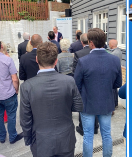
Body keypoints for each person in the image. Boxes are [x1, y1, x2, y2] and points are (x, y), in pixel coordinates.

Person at [20, 41, 83, 156]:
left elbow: (25, 119)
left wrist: (28, 140)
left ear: (37, 60)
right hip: (66, 139)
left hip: (41, 141)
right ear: (56, 61)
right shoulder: (69, 81)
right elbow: (78, 106)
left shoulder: (27, 86)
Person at [74, 28, 122, 157]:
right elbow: (117, 84)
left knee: (88, 135)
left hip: (87, 103)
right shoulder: (115, 60)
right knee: (106, 134)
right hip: (106, 102)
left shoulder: (83, 61)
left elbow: (76, 85)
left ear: (91, 43)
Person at [0, 39, 21, 144]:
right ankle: (12, 137)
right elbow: (15, 79)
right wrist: (16, 90)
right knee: (11, 115)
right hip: (8, 93)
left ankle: (2, 137)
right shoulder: (7, 60)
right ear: (1, 46)